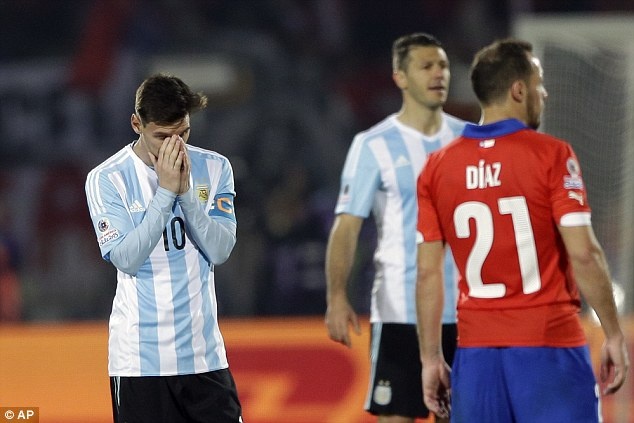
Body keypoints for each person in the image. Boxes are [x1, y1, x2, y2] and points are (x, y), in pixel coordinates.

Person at [415, 38, 629, 422]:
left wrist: (431, 359)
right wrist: (614, 334)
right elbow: (585, 254)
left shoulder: (436, 167)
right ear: (518, 90)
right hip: (549, 348)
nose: (543, 94)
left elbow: (428, 273)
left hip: (476, 357)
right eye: (538, 83)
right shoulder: (552, 155)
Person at [325, 33, 467, 423]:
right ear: (400, 77)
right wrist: (337, 296)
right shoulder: (373, 144)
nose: (439, 74)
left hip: (465, 312)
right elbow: (347, 227)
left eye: (443, 65)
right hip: (399, 310)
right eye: (426, 66)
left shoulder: (467, 139)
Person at [85, 74, 243, 423]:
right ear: (136, 125)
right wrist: (166, 192)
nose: (175, 146)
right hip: (141, 364)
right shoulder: (107, 178)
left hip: (204, 357)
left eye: (182, 133)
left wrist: (185, 194)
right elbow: (126, 259)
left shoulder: (215, 167)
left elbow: (220, 251)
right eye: (162, 137)